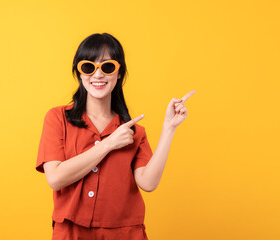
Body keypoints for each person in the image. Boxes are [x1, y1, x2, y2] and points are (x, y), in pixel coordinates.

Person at [35, 32, 196, 240]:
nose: (98, 75)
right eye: (89, 67)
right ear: (79, 72)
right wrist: (108, 144)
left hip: (126, 234)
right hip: (71, 232)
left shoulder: (134, 132)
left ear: (119, 73)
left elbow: (148, 183)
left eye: (108, 66)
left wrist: (169, 128)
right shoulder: (57, 118)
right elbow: (55, 178)